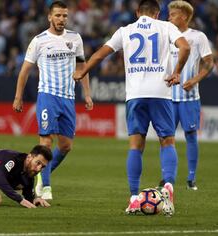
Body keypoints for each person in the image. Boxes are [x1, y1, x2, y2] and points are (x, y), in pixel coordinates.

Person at [73, 0, 190, 216]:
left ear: (137, 13)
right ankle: (168, 189)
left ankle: (135, 198)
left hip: (135, 95)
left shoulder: (125, 30)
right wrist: (177, 71)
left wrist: (82, 72)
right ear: (157, 14)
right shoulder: (166, 27)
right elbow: (186, 46)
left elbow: (100, 54)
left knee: (136, 146)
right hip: (160, 93)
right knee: (167, 141)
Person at [12, 1, 93, 201]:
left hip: (68, 98)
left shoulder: (75, 38)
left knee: (66, 146)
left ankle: (39, 175)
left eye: (64, 16)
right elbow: (24, 71)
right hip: (47, 96)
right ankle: (46, 186)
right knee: (46, 142)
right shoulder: (39, 40)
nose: (61, 19)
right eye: (57, 15)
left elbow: (82, 67)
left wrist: (87, 94)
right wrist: (18, 96)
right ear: (50, 17)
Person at [157, 0, 214, 191]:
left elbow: (209, 62)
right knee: (165, 137)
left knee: (191, 136)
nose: (169, 17)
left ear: (183, 16)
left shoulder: (198, 37)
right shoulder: (165, 35)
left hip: (189, 98)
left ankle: (191, 178)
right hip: (167, 97)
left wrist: (195, 79)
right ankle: (167, 176)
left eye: (172, 14)